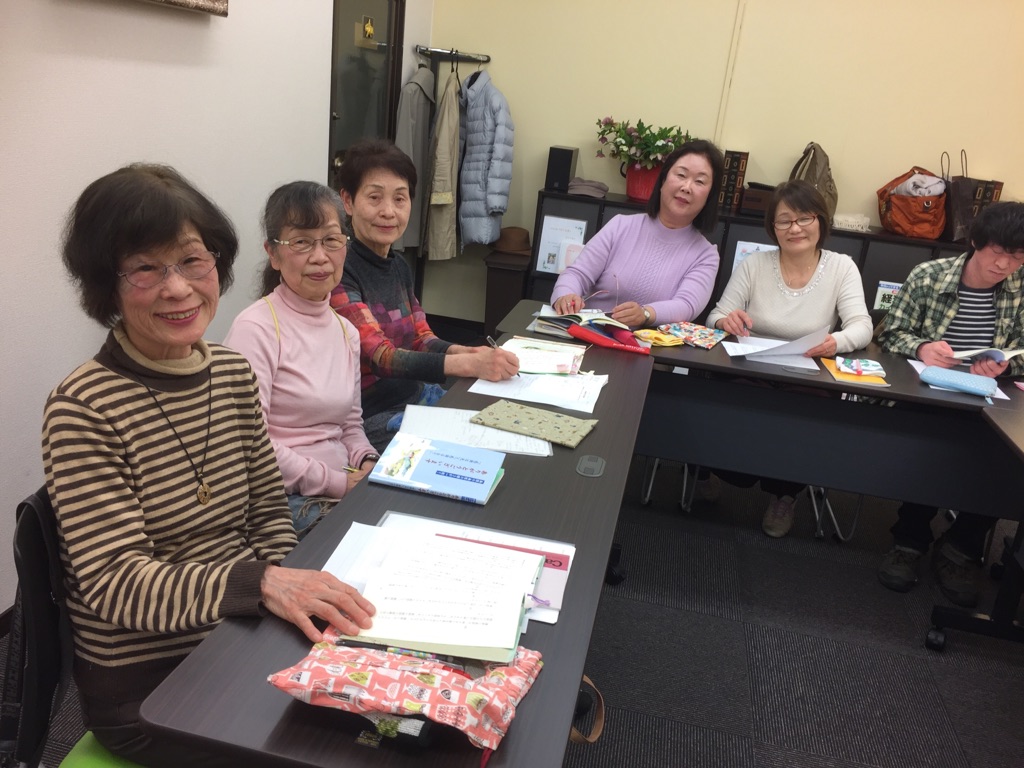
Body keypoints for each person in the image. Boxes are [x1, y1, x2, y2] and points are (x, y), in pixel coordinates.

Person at [42, 164, 375, 766]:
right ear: (105, 284)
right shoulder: (84, 407)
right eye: (145, 268)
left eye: (193, 261)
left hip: (243, 636)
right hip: (152, 686)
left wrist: (286, 602)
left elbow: (269, 512)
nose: (178, 288)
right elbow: (116, 583)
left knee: (405, 707)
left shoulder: (229, 372)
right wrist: (264, 584)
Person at [877, 200, 1024, 607]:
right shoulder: (928, 276)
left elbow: (1022, 352)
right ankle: (909, 541)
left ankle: (961, 549)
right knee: (927, 444)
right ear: (976, 241)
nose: (1004, 265)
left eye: (1017, 256)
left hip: (992, 397)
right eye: (997, 251)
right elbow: (890, 333)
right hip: (927, 392)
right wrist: (922, 347)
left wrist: (1003, 364)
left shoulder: (1021, 287)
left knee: (1008, 458)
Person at [705, 179, 872, 537]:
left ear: (820, 221)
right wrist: (725, 321)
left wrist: (835, 342)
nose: (795, 228)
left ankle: (785, 495)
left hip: (807, 372)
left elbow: (862, 326)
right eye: (784, 220)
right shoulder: (755, 264)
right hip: (750, 366)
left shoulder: (842, 267)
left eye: (804, 218)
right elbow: (716, 314)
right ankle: (713, 467)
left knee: (804, 414)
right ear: (773, 227)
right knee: (727, 396)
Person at [330, 139, 519, 450]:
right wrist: (469, 365)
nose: (388, 212)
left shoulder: (399, 267)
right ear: (348, 202)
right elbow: (381, 357)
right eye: (374, 197)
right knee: (471, 450)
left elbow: (421, 338)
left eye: (399, 199)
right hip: (369, 418)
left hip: (415, 397)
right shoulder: (340, 270)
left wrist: (470, 353)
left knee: (504, 428)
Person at [224, 182, 378, 537]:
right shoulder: (256, 328)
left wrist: (368, 461)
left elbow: (350, 425)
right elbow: (250, 444)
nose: (320, 256)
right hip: (282, 499)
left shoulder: (346, 332)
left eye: (331, 240)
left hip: (341, 482)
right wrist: (338, 483)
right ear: (274, 254)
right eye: (301, 242)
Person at [550, 139, 724, 327]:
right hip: (589, 333)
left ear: (710, 196)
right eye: (681, 175)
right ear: (663, 180)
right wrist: (565, 295)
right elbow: (577, 274)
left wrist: (646, 313)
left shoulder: (705, 255)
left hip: (651, 343)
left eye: (699, 181)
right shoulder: (620, 226)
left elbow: (686, 305)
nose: (686, 187)